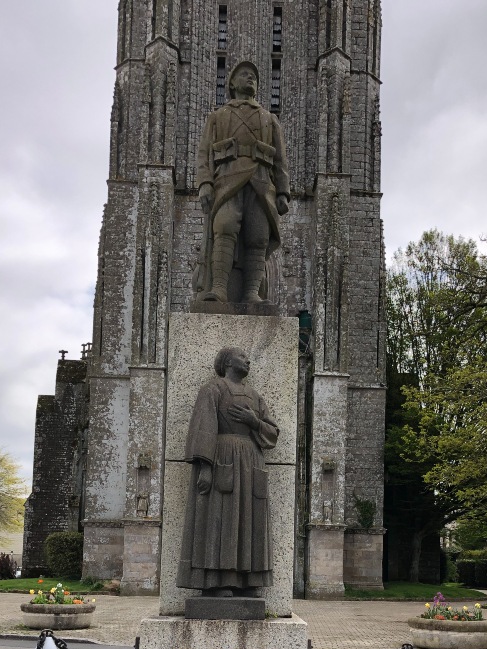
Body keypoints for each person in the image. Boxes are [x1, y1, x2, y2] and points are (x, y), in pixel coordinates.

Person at [176, 346, 279, 595]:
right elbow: (204, 428)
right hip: (223, 458)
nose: (248, 360)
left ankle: (249, 580)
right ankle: (219, 581)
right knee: (220, 521)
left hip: (251, 462)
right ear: (227, 362)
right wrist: (205, 468)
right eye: (242, 356)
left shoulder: (254, 396)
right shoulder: (213, 389)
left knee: (249, 521)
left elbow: (273, 433)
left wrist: (253, 422)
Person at [195, 60, 290, 304]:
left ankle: (251, 293)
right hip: (226, 180)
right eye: (245, 75)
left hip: (260, 183)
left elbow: (280, 159)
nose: (250, 79)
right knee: (224, 228)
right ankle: (219, 289)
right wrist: (205, 183)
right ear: (232, 83)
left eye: (254, 77)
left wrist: (283, 192)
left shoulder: (269, 118)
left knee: (258, 237)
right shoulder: (217, 117)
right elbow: (204, 153)